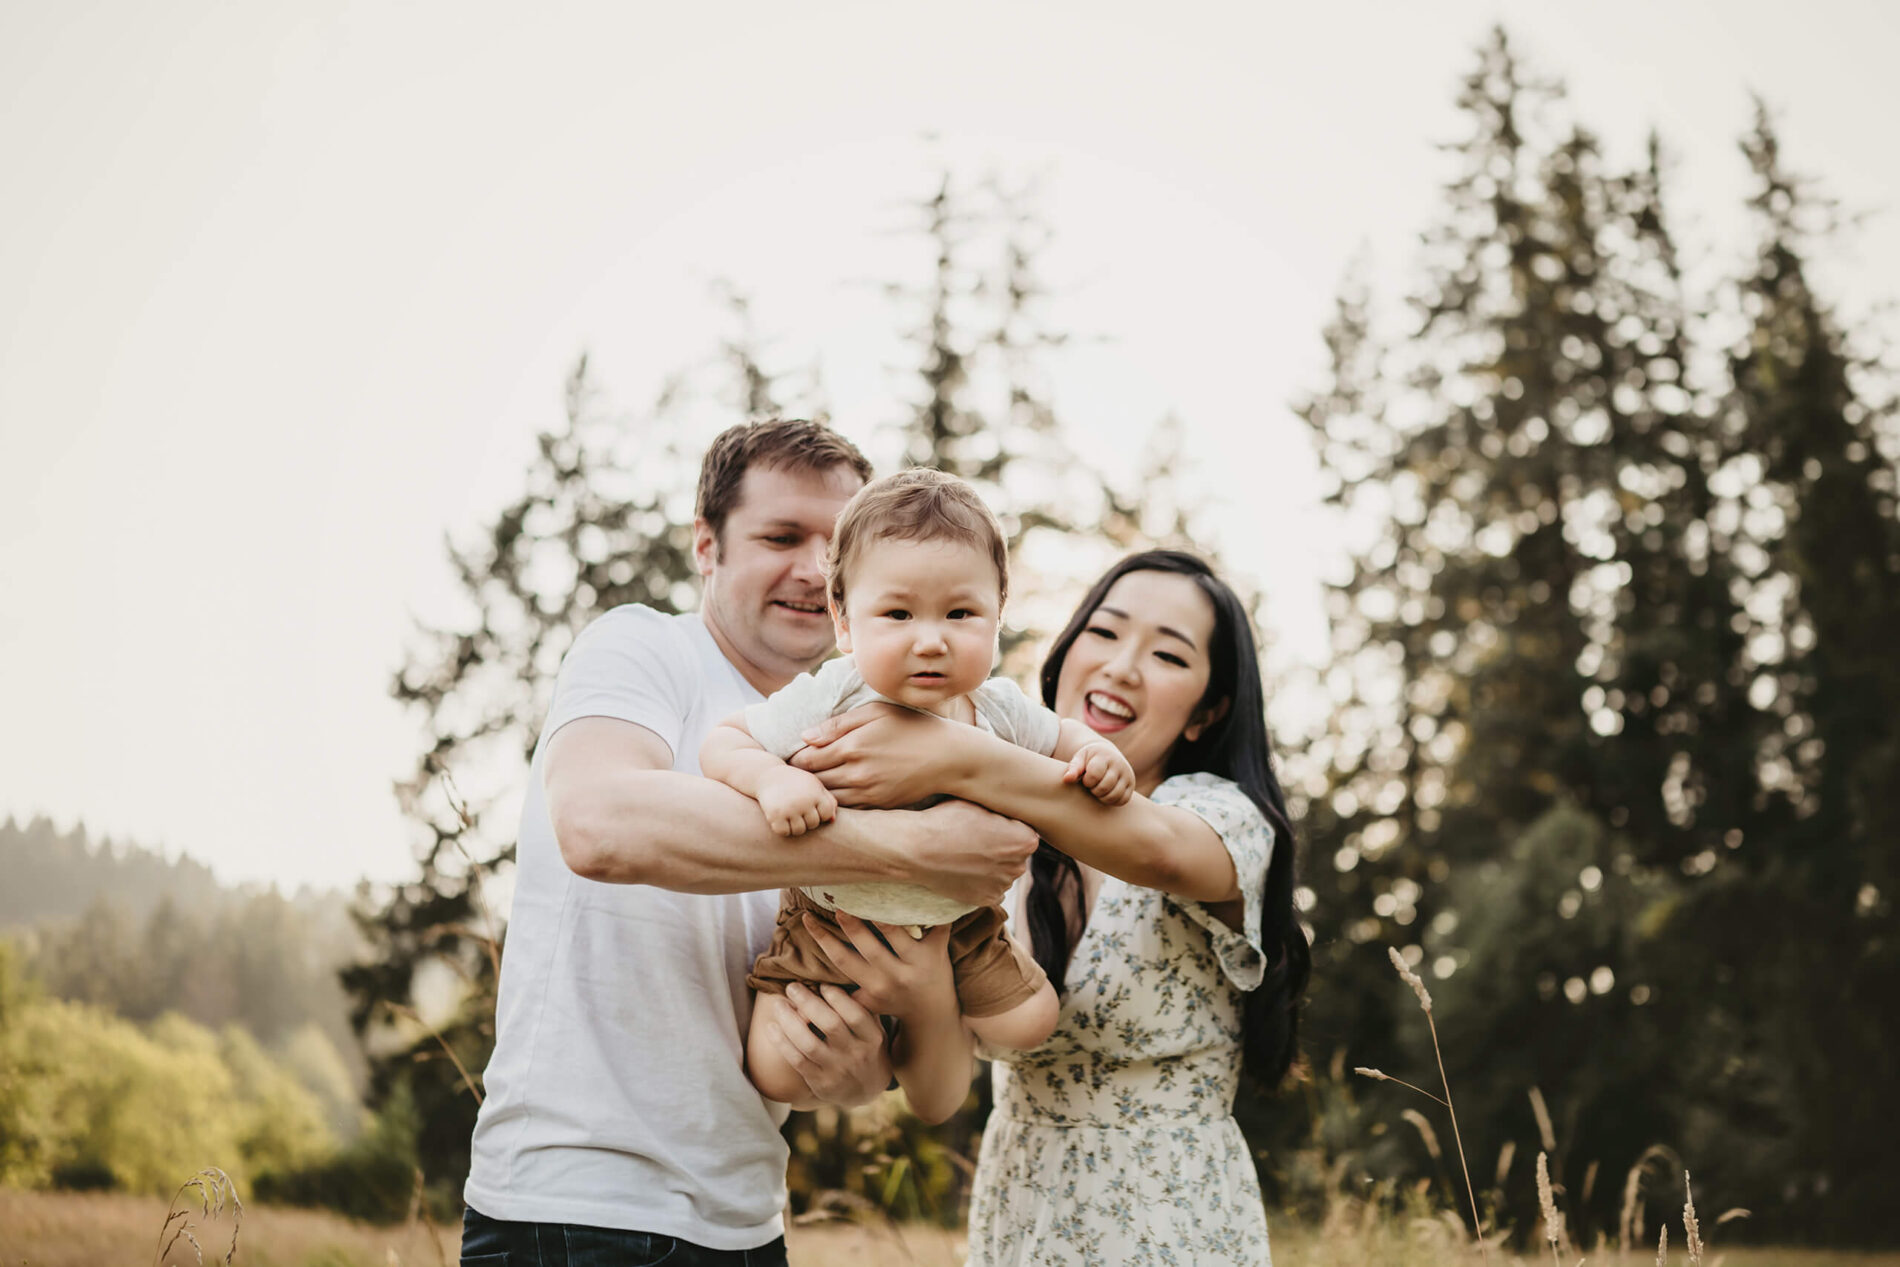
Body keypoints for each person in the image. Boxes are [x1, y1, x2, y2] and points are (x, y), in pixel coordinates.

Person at [459, 420, 1041, 1267]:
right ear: (707, 545)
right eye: (779, 536)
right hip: (578, 1205)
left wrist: (859, 1069)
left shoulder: (895, 731)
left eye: (831, 544)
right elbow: (598, 824)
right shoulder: (646, 648)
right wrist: (911, 847)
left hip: (746, 1222)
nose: (810, 566)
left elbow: (913, 1056)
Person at [790, 550, 1311, 1266]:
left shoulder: (1221, 817)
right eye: (1104, 632)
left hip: (1173, 1225)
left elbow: (1155, 850)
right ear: (1066, 652)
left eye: (1166, 653)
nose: (1123, 666)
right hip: (1022, 1224)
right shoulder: (989, 847)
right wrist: (920, 991)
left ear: (1208, 711)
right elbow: (938, 1095)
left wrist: (950, 751)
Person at [700, 468, 1134, 1121]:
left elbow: (1065, 735)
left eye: (961, 613)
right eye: (898, 613)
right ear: (844, 620)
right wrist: (773, 778)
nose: (930, 638)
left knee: (1034, 1020)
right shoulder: (834, 692)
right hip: (829, 923)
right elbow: (725, 742)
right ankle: (896, 1037)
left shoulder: (998, 708)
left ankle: (929, 1021)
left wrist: (1099, 755)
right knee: (776, 1068)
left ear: (998, 615)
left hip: (958, 927)